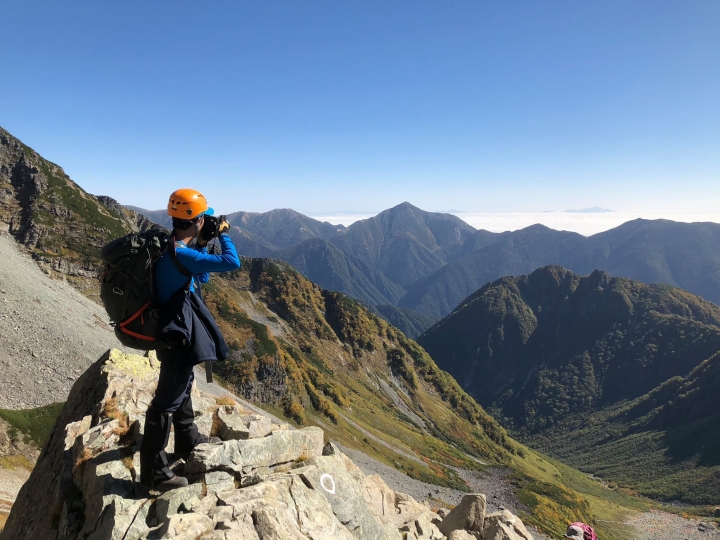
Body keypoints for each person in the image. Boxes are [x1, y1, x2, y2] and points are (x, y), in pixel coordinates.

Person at [139, 188, 241, 491]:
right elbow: (231, 262)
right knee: (164, 402)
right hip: (174, 336)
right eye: (204, 218)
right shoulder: (180, 253)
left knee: (183, 382)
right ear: (196, 219)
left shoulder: (172, 246)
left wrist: (201, 240)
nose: (208, 222)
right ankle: (154, 471)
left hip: (173, 329)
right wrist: (223, 234)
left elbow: (201, 278)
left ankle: (186, 437)